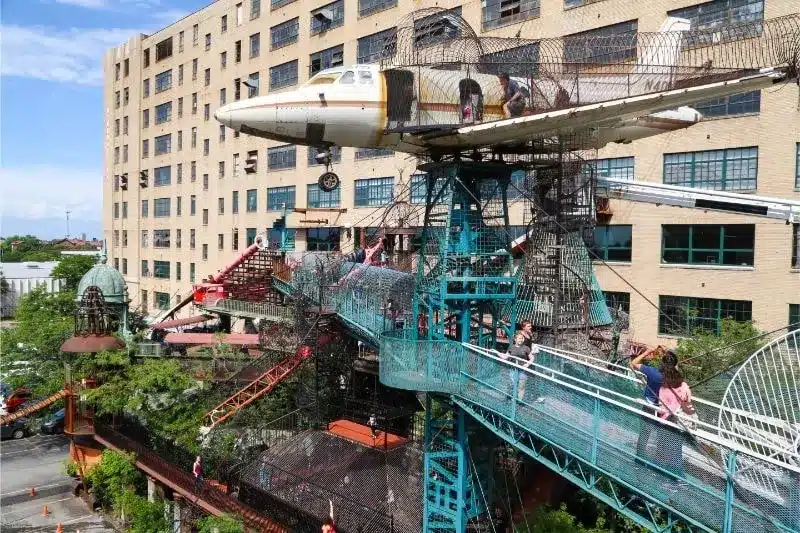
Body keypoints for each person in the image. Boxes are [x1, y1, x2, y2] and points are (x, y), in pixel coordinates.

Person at [657, 352, 694, 476]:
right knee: (676, 451)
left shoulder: (663, 388)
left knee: (664, 450)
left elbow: (662, 409)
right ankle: (677, 476)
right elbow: (688, 401)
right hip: (680, 423)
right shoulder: (684, 385)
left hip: (666, 422)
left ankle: (667, 476)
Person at [630, 346, 665, 459]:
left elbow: (633, 363)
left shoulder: (653, 372)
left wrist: (647, 352)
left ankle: (639, 456)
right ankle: (658, 460)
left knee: (645, 432)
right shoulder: (671, 376)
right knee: (662, 435)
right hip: (663, 409)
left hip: (649, 406)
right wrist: (667, 353)